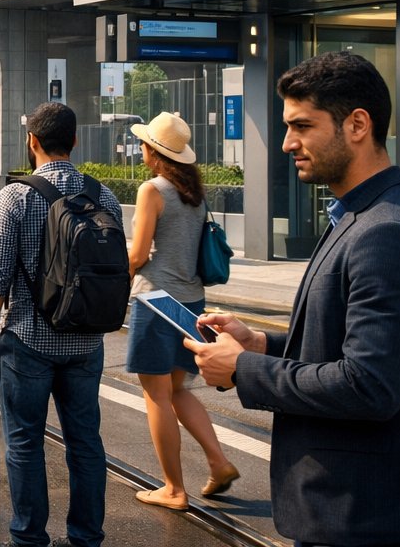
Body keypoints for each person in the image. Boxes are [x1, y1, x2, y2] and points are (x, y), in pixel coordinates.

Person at [190, 51, 400, 547]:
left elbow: (370, 385)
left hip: (362, 514)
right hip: (348, 510)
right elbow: (340, 343)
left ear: (357, 124)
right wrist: (259, 345)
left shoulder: (389, 233)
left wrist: (243, 371)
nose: (286, 142)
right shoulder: (362, 216)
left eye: (302, 126)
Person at [0, 102, 121, 547]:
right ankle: (86, 537)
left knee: (24, 443)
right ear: (75, 142)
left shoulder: (16, 196)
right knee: (86, 444)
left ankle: (30, 538)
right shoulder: (106, 196)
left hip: (29, 340)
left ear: (32, 142)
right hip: (85, 344)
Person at [123, 112, 236, 512]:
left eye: (144, 144)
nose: (140, 149)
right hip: (190, 302)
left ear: (155, 152)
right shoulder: (194, 193)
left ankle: (173, 488)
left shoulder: (152, 190)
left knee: (155, 394)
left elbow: (138, 254)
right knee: (176, 390)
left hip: (155, 301)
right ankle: (219, 462)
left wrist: (116, 274)